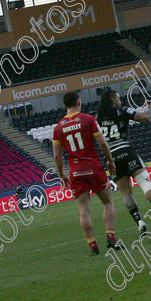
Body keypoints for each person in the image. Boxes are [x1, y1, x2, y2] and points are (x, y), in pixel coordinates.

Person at [96, 90, 151, 237]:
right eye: (118, 98)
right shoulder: (123, 110)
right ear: (113, 99)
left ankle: (140, 222)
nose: (120, 100)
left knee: (126, 193)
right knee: (145, 184)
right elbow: (144, 117)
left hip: (112, 156)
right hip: (126, 150)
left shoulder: (98, 117)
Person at [52, 91, 121, 255]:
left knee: (84, 210)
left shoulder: (58, 128)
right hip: (93, 166)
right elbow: (103, 144)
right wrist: (110, 161)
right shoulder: (89, 120)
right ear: (78, 103)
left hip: (75, 171)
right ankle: (111, 238)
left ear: (65, 106)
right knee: (108, 202)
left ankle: (93, 246)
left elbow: (57, 155)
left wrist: (62, 174)